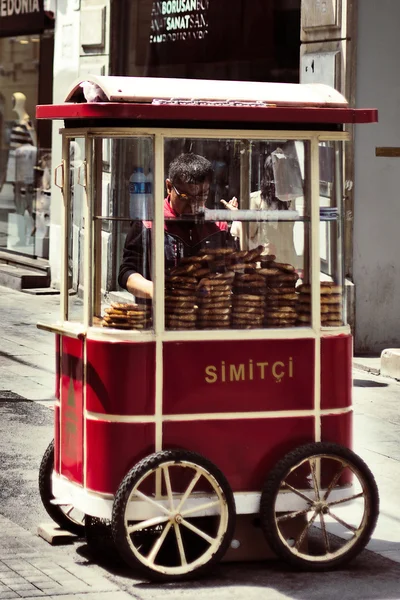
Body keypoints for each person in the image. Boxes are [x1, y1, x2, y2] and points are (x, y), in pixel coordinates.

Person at [118, 153, 237, 299]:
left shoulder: (218, 227)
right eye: (185, 197)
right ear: (169, 187)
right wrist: (156, 290)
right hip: (158, 314)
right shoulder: (148, 222)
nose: (193, 206)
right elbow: (127, 272)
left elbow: (231, 269)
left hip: (207, 314)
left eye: (201, 197)